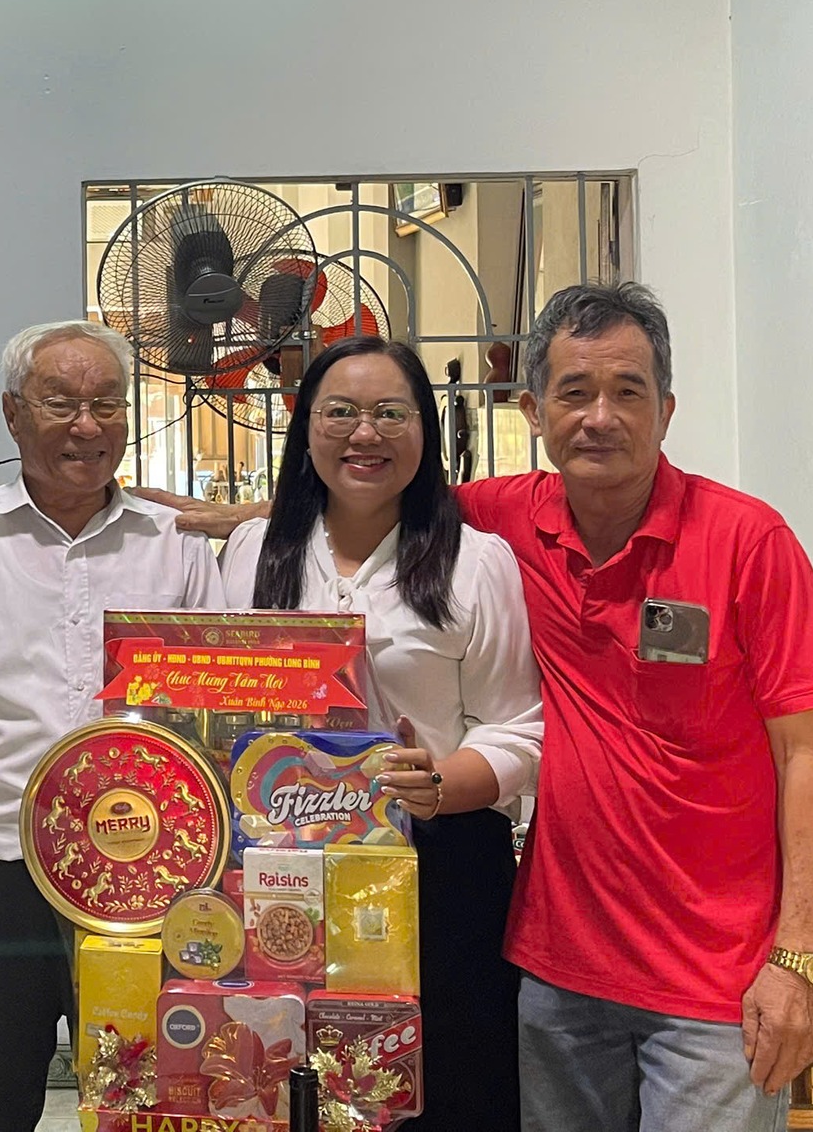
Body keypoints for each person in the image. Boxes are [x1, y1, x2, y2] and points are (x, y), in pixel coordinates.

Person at [146, 283, 813, 1132]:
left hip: (712, 972)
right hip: (557, 961)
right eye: (575, 392)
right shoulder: (511, 520)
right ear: (534, 411)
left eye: (627, 392)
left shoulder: (742, 542)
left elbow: (807, 756)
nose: (600, 417)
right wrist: (252, 515)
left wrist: (801, 959)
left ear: (666, 410)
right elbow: (365, 492)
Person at [0, 319, 226, 1132]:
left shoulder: (175, 545)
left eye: (107, 403)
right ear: (12, 413)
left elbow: (211, 720)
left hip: (150, 878)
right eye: (60, 403)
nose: (87, 426)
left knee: (149, 1106)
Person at [219, 336, 540, 1132]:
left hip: (439, 863)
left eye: (392, 414)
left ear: (425, 431)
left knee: (445, 1089)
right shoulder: (254, 550)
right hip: (281, 865)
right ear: (306, 428)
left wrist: (442, 784)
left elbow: (519, 726)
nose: (366, 434)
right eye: (341, 412)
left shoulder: (476, 561)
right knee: (286, 1078)